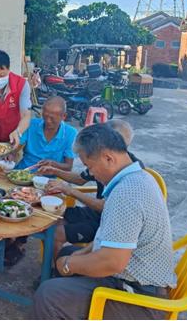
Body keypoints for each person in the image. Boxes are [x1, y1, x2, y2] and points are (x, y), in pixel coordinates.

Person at [34, 124, 176, 319]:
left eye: (90, 167)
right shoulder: (137, 177)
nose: (90, 174)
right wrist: (78, 255)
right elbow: (108, 236)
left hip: (140, 297)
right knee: (67, 253)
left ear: (109, 158)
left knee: (48, 294)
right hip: (132, 276)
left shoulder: (126, 194)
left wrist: (68, 265)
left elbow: (112, 262)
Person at [40, 119, 144, 258]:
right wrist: (55, 171)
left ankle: (56, 268)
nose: (92, 172)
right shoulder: (101, 161)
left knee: (57, 234)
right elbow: (80, 179)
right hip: (93, 213)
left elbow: (108, 208)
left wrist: (71, 191)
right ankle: (53, 264)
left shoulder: (131, 176)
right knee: (53, 218)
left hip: (105, 222)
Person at [16, 96, 77, 172]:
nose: (48, 121)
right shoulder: (31, 124)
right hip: (23, 171)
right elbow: (17, 147)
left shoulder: (71, 133)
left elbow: (68, 167)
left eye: (52, 118)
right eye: (45, 116)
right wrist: (11, 154)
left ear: (63, 116)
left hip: (50, 176)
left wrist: (53, 164)